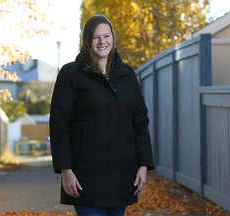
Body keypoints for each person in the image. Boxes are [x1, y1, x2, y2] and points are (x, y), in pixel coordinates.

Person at [49, 14, 154, 216]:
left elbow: (140, 122)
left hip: (122, 174)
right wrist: (65, 170)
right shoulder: (71, 74)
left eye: (106, 36)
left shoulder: (127, 75)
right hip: (85, 176)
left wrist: (143, 165)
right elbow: (59, 124)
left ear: (113, 38)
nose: (102, 42)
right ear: (87, 40)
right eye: (96, 37)